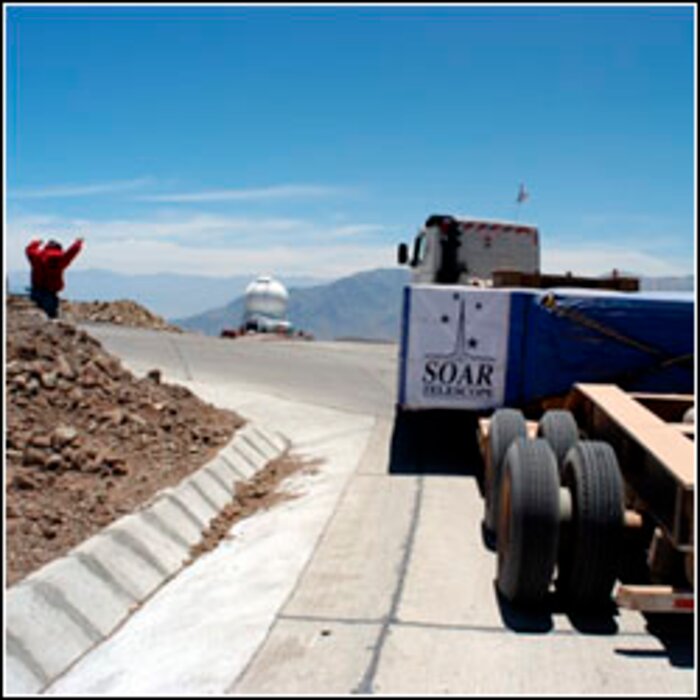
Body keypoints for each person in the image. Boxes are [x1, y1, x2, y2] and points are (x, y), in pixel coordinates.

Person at [25, 237, 84, 319]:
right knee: (52, 317)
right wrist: (78, 243)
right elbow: (71, 253)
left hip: (36, 290)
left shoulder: (37, 256)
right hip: (50, 292)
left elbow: (29, 250)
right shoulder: (61, 258)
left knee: (37, 315)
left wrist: (36, 242)